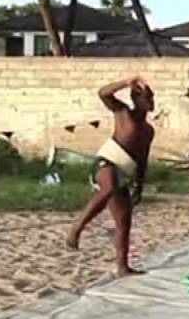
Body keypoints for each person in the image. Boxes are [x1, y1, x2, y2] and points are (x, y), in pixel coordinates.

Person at [66, 76, 156, 276]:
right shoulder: (123, 113)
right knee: (109, 187)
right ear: (137, 99)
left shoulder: (149, 130)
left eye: (152, 97)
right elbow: (103, 93)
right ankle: (77, 227)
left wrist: (139, 185)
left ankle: (123, 267)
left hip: (123, 173)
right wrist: (127, 82)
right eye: (148, 97)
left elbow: (143, 159)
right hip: (105, 163)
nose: (152, 102)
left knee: (124, 221)